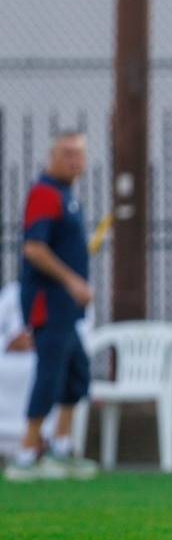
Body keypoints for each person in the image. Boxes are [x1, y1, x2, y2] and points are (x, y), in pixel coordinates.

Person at [3, 131, 98, 483]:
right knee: (50, 373)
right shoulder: (44, 193)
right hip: (49, 304)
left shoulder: (67, 196)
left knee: (77, 374)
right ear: (52, 156)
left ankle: (60, 446)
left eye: (79, 154)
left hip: (67, 310)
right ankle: (27, 452)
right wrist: (73, 281)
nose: (75, 161)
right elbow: (34, 249)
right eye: (67, 153)